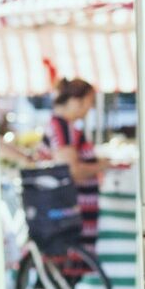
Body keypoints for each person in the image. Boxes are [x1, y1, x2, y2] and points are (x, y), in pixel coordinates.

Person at [47, 78, 102, 242]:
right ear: (76, 100)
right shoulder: (62, 127)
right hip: (72, 211)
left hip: (76, 210)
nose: (90, 108)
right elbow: (72, 171)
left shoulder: (65, 126)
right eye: (89, 101)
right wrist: (103, 165)